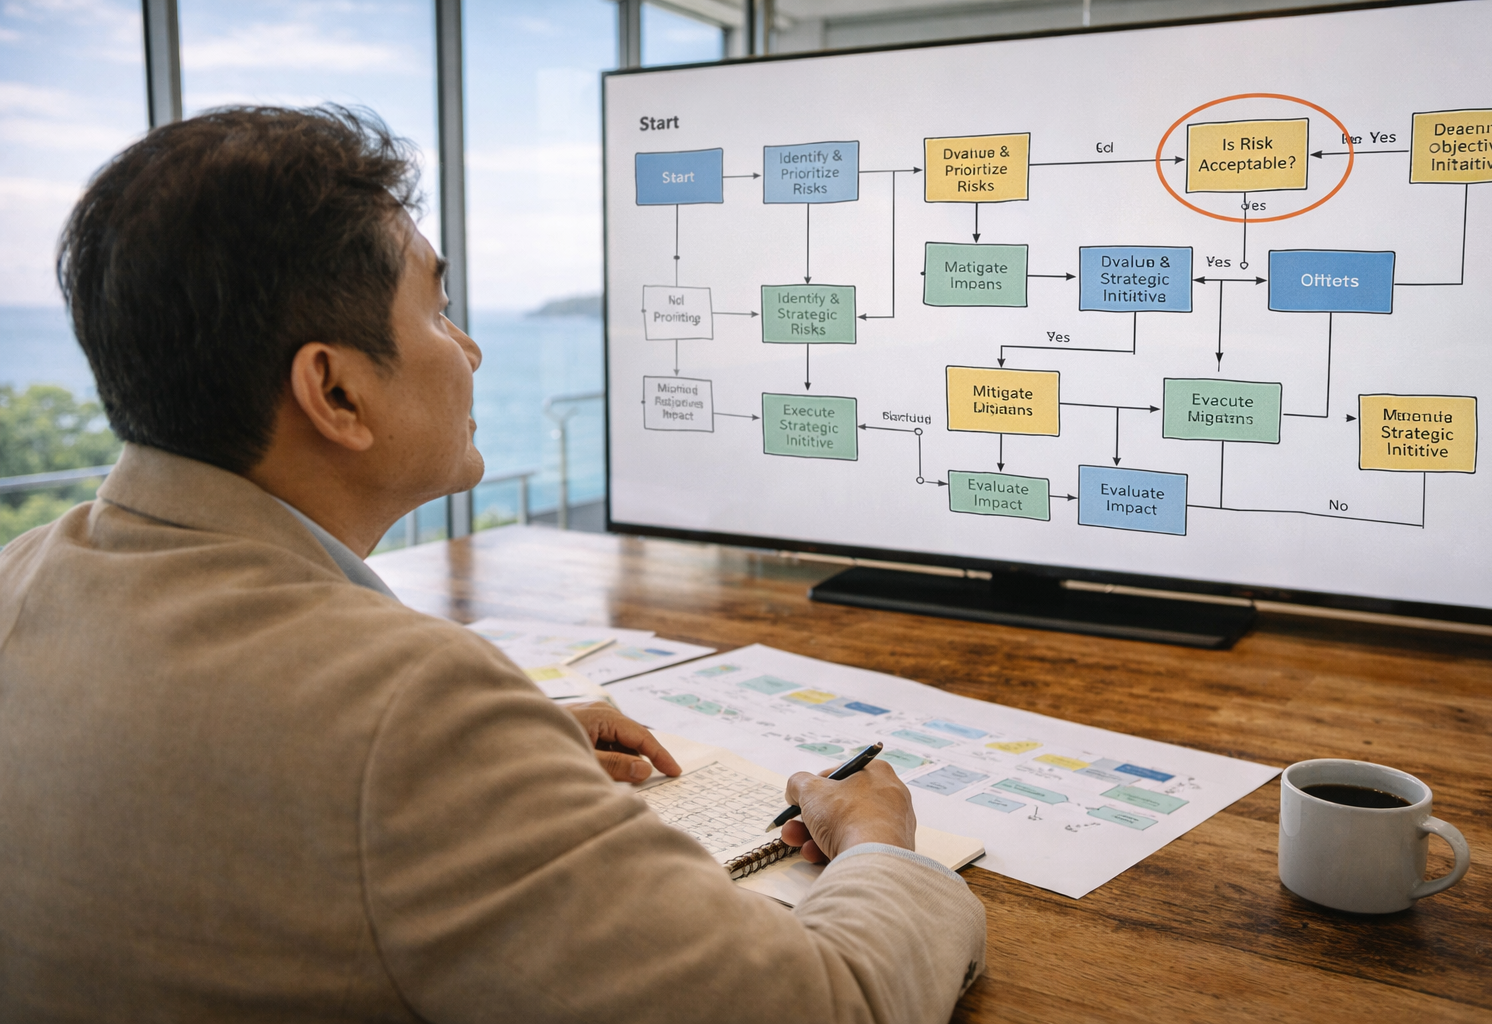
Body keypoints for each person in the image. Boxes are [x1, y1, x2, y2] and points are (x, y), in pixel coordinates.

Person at [0, 106, 985, 1022]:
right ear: (334, 392)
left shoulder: (19, 581)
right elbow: (831, 1002)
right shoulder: (407, 718)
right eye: (437, 309)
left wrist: (505, 755)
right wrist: (875, 842)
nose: (470, 350)